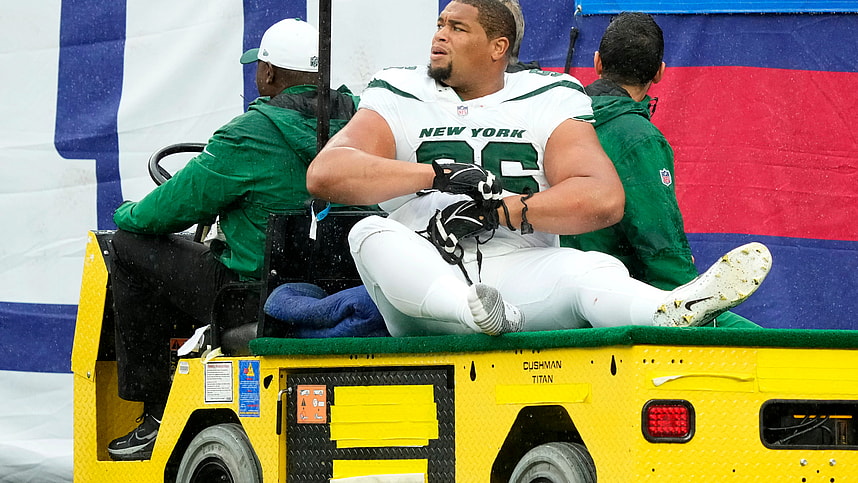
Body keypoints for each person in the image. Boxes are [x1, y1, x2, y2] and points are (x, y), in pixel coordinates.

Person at [306, 0, 771, 338]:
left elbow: (602, 197)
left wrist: (501, 212)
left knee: (590, 268)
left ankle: (669, 310)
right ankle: (473, 314)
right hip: (424, 280)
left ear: (497, 46)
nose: (439, 35)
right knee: (369, 233)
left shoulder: (548, 97)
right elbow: (326, 173)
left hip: (516, 271)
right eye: (440, 23)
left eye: (458, 28)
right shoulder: (399, 90)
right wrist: (437, 176)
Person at [106, 18, 359, 461]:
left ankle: (154, 411)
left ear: (269, 74)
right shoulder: (362, 121)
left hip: (254, 298)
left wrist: (124, 212)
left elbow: (160, 214)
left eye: (258, 69)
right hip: (342, 289)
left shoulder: (247, 135)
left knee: (127, 248)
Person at [558, 12, 759, 327]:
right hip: (621, 302)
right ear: (660, 72)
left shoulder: (553, 118)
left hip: (547, 292)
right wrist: (692, 295)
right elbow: (658, 244)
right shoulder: (637, 138)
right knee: (764, 342)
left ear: (597, 63)